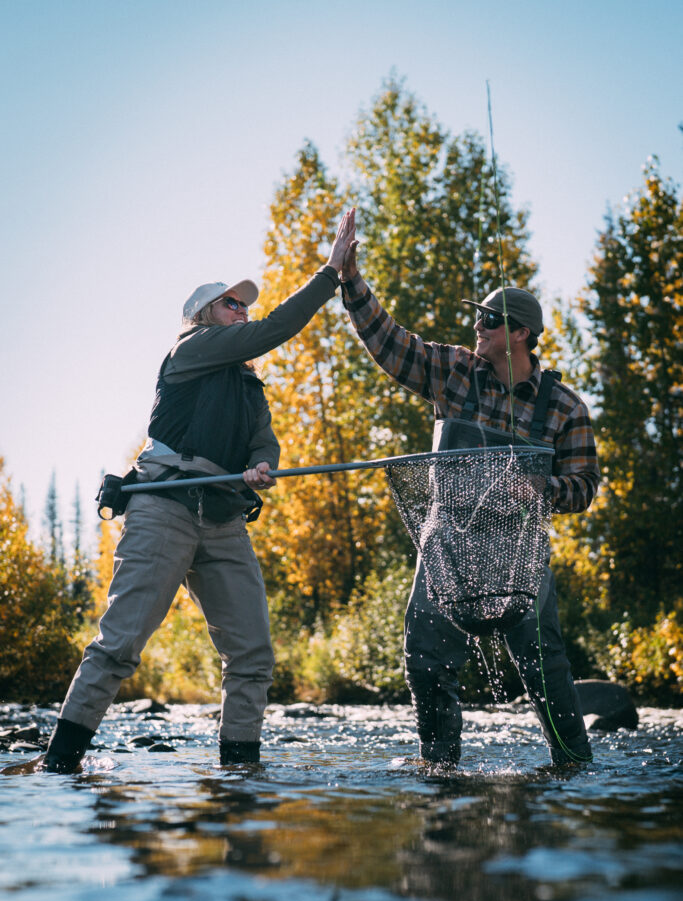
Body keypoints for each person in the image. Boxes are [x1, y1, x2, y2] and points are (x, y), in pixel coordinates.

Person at [44, 210, 357, 772]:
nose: (244, 311)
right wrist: (330, 272)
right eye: (231, 304)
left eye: (245, 305)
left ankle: (239, 774)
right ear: (201, 318)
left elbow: (266, 444)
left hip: (223, 520)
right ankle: (59, 765)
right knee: (118, 646)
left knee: (253, 655)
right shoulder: (190, 350)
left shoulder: (247, 382)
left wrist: (262, 468)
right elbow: (277, 329)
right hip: (162, 510)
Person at [340, 229, 599, 767]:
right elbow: (388, 341)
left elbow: (583, 489)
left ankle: (573, 765)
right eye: (477, 319)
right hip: (447, 541)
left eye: (487, 319)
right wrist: (350, 279)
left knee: (544, 663)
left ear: (521, 333)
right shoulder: (452, 370)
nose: (475, 328)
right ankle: (440, 767)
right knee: (425, 656)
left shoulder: (566, 408)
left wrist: (539, 488)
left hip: (520, 550)